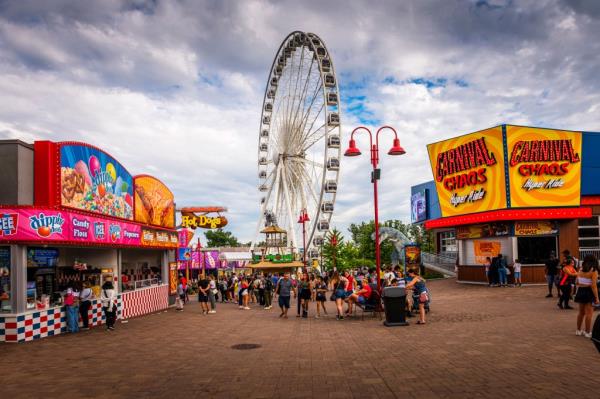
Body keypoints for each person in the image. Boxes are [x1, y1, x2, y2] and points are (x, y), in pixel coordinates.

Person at [574, 255, 599, 338]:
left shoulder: (580, 269)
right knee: (589, 314)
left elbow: (577, 282)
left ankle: (578, 330)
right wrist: (597, 297)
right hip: (589, 292)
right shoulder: (594, 271)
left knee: (581, 313)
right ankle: (587, 332)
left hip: (580, 291)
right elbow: (593, 286)